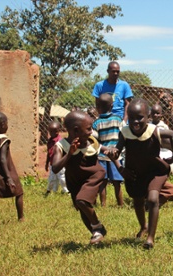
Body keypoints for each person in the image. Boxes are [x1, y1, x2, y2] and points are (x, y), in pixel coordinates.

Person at [105, 98, 173, 249]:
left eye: (140, 118)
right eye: (132, 118)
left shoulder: (154, 131)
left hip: (154, 171)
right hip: (135, 173)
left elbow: (171, 135)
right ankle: (143, 227)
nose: (135, 122)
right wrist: (120, 168)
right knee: (137, 201)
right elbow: (116, 152)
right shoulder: (125, 133)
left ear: (148, 117)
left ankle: (150, 237)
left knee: (152, 200)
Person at [52, 111, 107, 245]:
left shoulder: (91, 141)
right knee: (81, 207)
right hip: (75, 181)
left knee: (82, 201)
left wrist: (111, 150)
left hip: (94, 175)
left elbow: (103, 149)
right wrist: (69, 154)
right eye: (88, 129)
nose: (91, 131)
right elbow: (55, 168)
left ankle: (98, 226)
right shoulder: (61, 146)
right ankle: (96, 235)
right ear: (76, 131)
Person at [92, 94, 124, 207]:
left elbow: (95, 140)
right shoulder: (118, 119)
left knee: (102, 182)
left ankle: (103, 205)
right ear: (112, 106)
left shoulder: (96, 123)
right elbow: (123, 134)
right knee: (117, 182)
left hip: (101, 156)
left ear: (98, 107)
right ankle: (120, 204)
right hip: (116, 156)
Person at [45, 121, 69, 195]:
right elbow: (49, 153)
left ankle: (67, 191)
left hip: (60, 164)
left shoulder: (61, 141)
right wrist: (47, 163)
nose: (51, 133)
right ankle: (50, 190)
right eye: (50, 131)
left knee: (62, 178)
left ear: (58, 131)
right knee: (52, 178)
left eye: (53, 131)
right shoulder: (50, 141)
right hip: (52, 164)